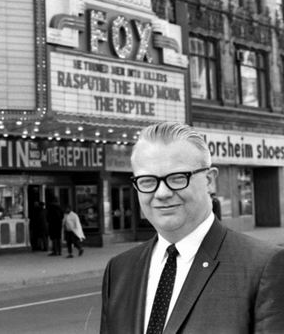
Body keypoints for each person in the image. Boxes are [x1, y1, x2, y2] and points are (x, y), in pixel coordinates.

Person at [100, 122, 284, 334]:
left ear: (209, 180)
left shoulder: (264, 267)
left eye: (178, 178)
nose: (162, 193)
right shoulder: (119, 269)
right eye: (148, 180)